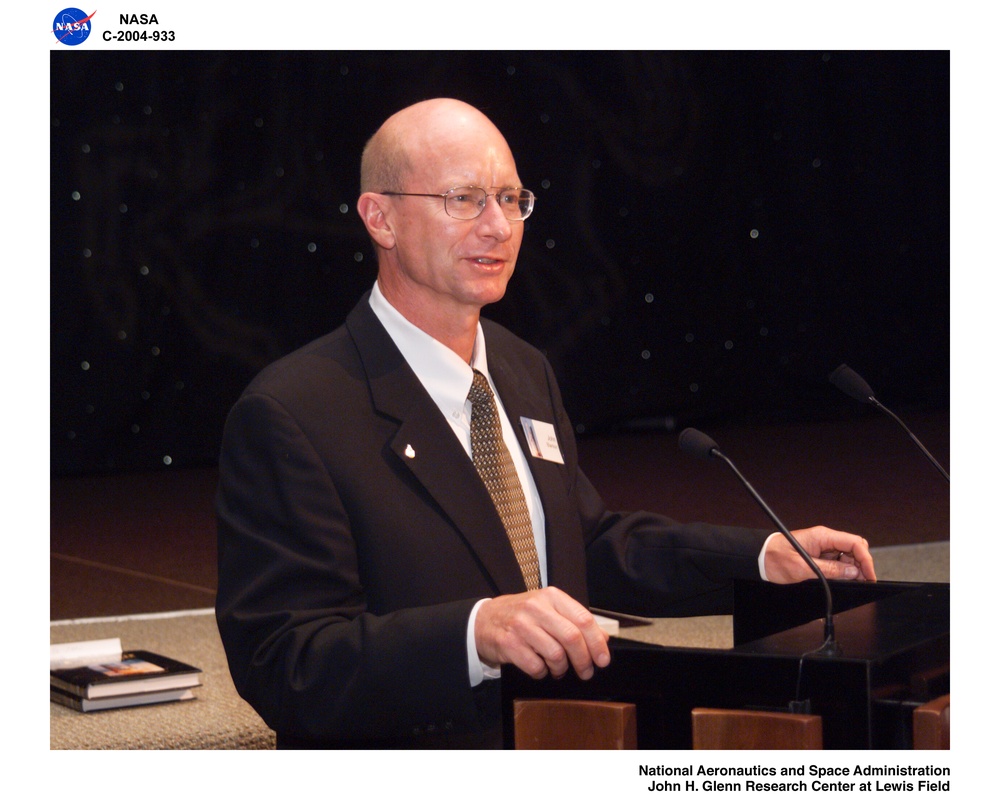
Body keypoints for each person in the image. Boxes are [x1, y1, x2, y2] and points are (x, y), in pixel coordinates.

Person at [215, 98, 876, 749]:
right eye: (464, 198)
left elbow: (579, 549)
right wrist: (477, 635)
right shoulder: (294, 413)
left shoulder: (519, 367)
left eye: (511, 199)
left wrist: (762, 559)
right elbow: (285, 663)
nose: (498, 227)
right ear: (380, 218)